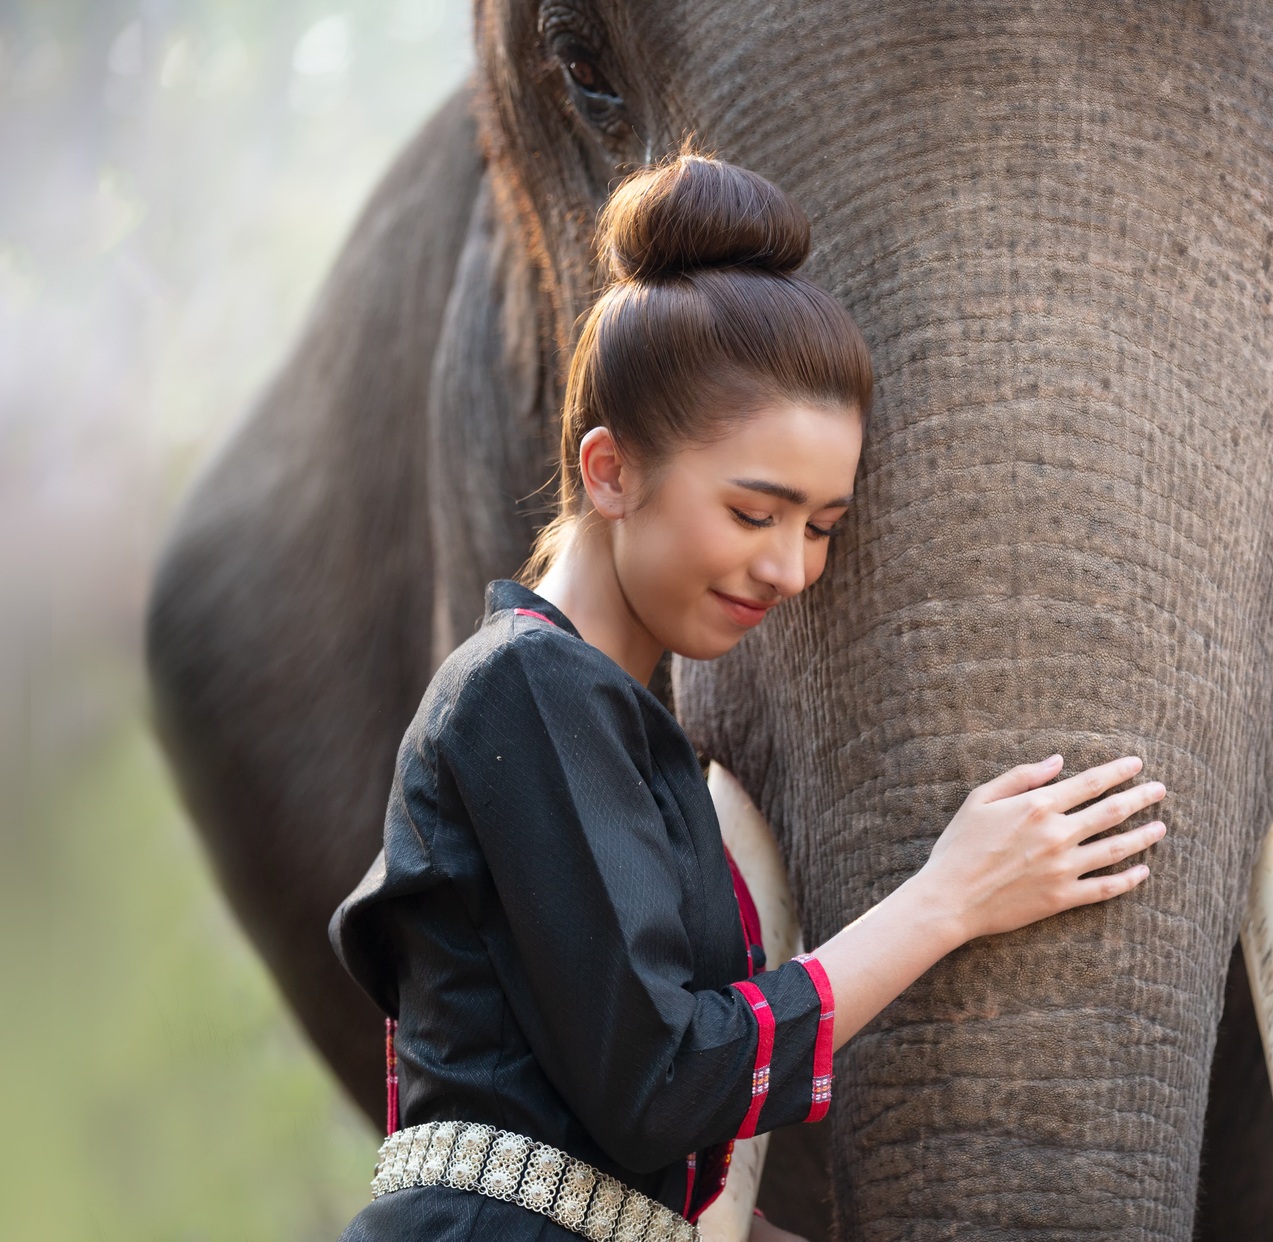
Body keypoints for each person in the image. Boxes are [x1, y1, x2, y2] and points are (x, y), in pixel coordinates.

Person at [329, 151, 1168, 1242]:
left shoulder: (609, 727)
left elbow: (595, 1143)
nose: (790, 569)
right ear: (609, 471)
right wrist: (946, 898)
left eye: (820, 527)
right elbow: (665, 1081)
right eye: (753, 511)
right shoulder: (527, 686)